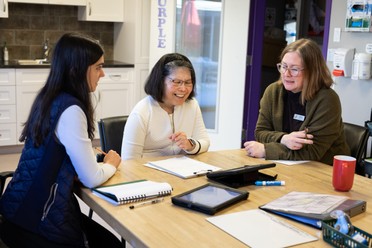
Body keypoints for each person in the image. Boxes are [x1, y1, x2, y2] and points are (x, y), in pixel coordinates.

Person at [0, 33, 123, 248]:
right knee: (111, 245)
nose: (102, 74)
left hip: (17, 210)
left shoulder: (49, 97)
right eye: (97, 67)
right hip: (37, 220)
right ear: (77, 70)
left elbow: (53, 152)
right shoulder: (72, 109)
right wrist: (111, 164)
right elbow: (92, 178)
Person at [244, 38, 350, 165]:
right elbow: (260, 132)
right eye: (283, 66)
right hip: (285, 164)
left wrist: (266, 150)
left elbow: (312, 151)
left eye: (294, 69)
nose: (286, 74)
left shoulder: (327, 99)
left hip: (322, 170)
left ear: (312, 71)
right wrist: (284, 139)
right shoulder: (273, 91)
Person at [121, 53, 210, 160]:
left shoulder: (192, 105)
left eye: (188, 82)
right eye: (177, 82)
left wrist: (190, 145)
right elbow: (129, 161)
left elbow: (205, 142)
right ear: (160, 81)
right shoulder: (141, 112)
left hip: (181, 171)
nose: (183, 88)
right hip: (148, 172)